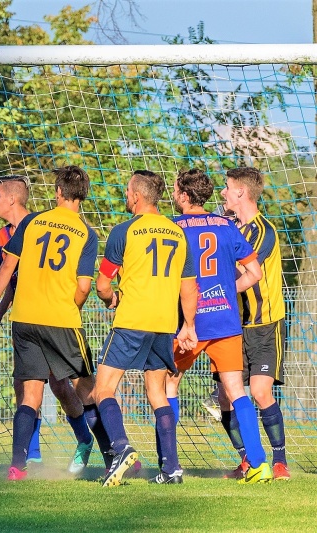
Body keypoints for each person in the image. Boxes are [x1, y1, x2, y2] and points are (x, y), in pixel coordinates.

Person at [0, 166, 110, 481]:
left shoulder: (32, 222)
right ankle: (113, 455)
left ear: (58, 192)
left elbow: (7, 268)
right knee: (86, 387)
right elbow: (84, 286)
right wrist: (71, 308)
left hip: (25, 319)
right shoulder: (85, 233)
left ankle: (18, 466)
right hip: (60, 319)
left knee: (33, 393)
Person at [94, 170, 198, 487]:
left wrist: (111, 298)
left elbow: (102, 284)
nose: (126, 196)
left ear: (137, 196)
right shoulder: (178, 233)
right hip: (164, 324)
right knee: (157, 392)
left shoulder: (124, 231)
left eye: (128, 191)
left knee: (102, 389)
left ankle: (121, 448)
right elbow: (188, 287)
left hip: (132, 320)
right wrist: (189, 326)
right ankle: (172, 468)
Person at [166, 168, 271, 483]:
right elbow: (255, 273)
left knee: (168, 384)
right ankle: (259, 464)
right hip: (226, 319)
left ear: (185, 196)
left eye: (176, 190)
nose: (174, 195)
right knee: (237, 391)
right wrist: (225, 290)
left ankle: (169, 464)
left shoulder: (173, 228)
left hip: (190, 323)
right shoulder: (227, 226)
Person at [217, 167, 290, 481]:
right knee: (226, 396)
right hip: (233, 326)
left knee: (260, 392)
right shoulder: (230, 227)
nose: (222, 192)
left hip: (264, 325)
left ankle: (280, 461)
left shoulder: (263, 231)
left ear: (240, 192)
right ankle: (247, 459)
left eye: (226, 187)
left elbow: (240, 269)